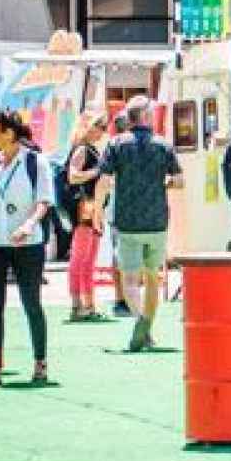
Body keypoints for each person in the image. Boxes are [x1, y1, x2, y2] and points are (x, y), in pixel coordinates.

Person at [97, 96, 183, 353]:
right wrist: (160, 184)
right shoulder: (163, 146)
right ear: (146, 117)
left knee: (130, 279)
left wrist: (98, 211)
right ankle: (147, 329)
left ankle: (142, 324)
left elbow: (103, 181)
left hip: (127, 222)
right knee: (153, 278)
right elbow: (179, 181)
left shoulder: (116, 145)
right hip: (157, 220)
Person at [0, 110, 55, 384]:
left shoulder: (37, 162)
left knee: (30, 302)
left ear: (10, 134)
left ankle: (40, 361)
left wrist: (28, 225)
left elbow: (44, 201)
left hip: (28, 243)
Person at [63, 112, 107, 322]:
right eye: (100, 126)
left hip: (94, 208)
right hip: (85, 208)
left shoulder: (91, 149)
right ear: (89, 126)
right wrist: (96, 172)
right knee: (81, 258)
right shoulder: (82, 149)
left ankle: (88, 304)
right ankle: (77, 304)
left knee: (88, 259)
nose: (103, 131)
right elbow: (72, 176)